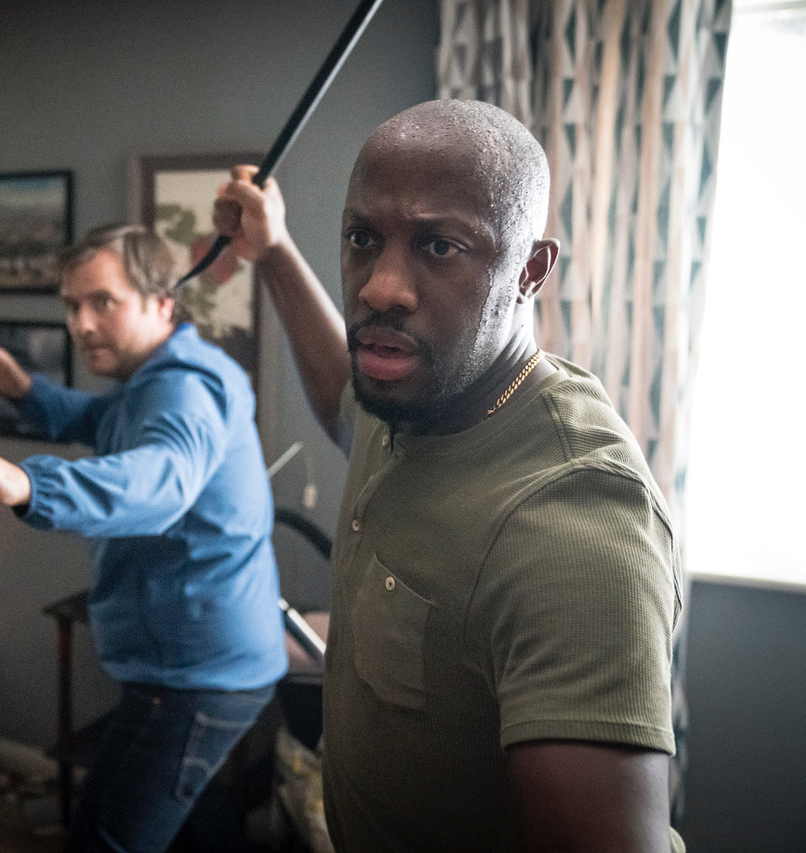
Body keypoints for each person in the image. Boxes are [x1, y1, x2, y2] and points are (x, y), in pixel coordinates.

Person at [212, 99, 684, 852]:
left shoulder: (575, 525)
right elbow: (344, 402)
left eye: (439, 246)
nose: (380, 287)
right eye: (363, 237)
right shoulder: (416, 390)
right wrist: (271, 252)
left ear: (530, 269)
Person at [0, 224, 288, 852]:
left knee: (104, 838)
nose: (80, 323)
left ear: (161, 302)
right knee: (195, 827)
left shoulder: (184, 387)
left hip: (195, 674)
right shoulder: (151, 379)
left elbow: (160, 480)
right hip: (195, 661)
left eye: (101, 302)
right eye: (71, 305)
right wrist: (26, 391)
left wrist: (24, 484)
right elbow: (98, 420)